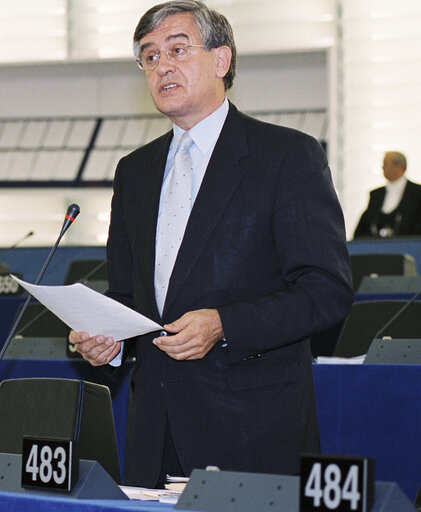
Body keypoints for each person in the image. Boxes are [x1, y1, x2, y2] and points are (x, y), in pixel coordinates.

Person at [68, 0, 353, 489]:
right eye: (150, 56)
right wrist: (106, 339)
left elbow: (326, 290)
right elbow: (128, 296)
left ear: (221, 61)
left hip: (251, 424)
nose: (162, 66)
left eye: (178, 49)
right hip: (154, 426)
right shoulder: (134, 171)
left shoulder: (287, 156)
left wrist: (224, 324)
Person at [353, 151, 421, 238]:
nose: (382, 167)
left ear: (399, 166)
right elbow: (364, 226)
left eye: (385, 164)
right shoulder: (376, 195)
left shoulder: (417, 193)